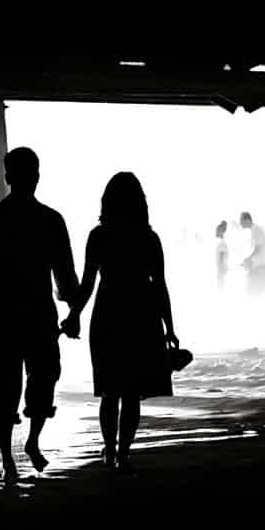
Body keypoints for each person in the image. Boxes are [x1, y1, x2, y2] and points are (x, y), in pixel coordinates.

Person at [0, 147, 78, 480]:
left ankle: (9, 458)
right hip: (38, 318)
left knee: (3, 389)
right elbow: (65, 276)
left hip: (2, 319)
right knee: (44, 380)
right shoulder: (50, 220)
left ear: (8, 177)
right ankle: (30, 443)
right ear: (34, 177)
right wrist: (74, 311)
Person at [61, 172, 179, 473]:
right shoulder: (149, 238)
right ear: (141, 203)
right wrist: (170, 328)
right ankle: (124, 452)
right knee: (132, 391)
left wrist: (74, 314)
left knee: (110, 390)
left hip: (108, 315)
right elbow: (160, 285)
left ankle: (110, 450)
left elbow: (87, 284)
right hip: (142, 315)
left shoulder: (99, 236)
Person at [239, 212, 265, 296]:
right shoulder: (253, 230)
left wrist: (249, 258)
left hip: (262, 265)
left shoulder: (257, 229)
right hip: (258, 265)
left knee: (255, 291)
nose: (240, 223)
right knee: (252, 289)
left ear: (247, 220)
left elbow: (258, 247)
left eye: (241, 221)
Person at [215, 220, 230, 290]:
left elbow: (221, 258)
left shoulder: (222, 242)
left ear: (221, 232)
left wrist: (220, 271)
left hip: (222, 269)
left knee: (221, 287)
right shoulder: (222, 242)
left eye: (217, 231)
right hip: (222, 268)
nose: (215, 232)